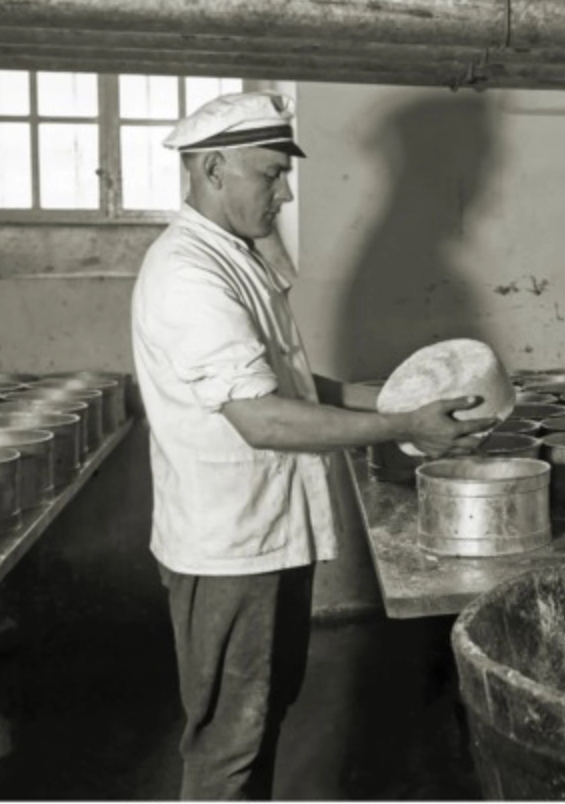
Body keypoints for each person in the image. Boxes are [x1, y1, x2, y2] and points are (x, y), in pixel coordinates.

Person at [130, 91, 495, 800]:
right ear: (212, 169)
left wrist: (396, 400)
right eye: (271, 174)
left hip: (263, 539)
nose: (285, 192)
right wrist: (405, 428)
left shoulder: (234, 258)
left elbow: (289, 383)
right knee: (231, 741)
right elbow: (263, 420)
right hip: (230, 549)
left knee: (261, 715)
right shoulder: (189, 276)